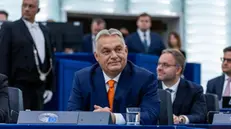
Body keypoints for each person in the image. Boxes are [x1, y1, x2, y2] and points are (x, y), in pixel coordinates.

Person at [67, 28, 160, 125]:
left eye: (118, 49)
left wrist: (114, 118)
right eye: (106, 51)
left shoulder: (145, 78)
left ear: (126, 51)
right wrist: (95, 118)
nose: (114, 56)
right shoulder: (82, 78)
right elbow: (72, 113)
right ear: (96, 56)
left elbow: (151, 115)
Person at [0, 0, 54, 110]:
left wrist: (50, 87)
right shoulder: (10, 27)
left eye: (31, 6)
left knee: (37, 124)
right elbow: (3, 58)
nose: (27, 9)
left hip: (40, 87)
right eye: (24, 5)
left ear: (38, 10)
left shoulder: (45, 30)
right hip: (18, 87)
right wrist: (4, 89)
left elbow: (51, 58)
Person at [157, 49, 206, 124]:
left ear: (178, 70)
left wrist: (182, 119)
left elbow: (200, 115)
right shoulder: (149, 88)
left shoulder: (194, 90)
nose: (159, 68)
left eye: (165, 65)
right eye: (159, 64)